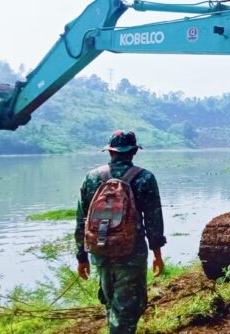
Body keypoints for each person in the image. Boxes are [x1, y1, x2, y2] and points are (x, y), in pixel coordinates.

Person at [75, 130, 166, 334]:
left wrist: (82, 257)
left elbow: (82, 220)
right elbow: (153, 220)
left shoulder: (92, 177)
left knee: (111, 305)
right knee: (127, 310)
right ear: (134, 151)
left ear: (110, 152)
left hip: (100, 251)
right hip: (131, 254)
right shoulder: (144, 178)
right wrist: (157, 256)